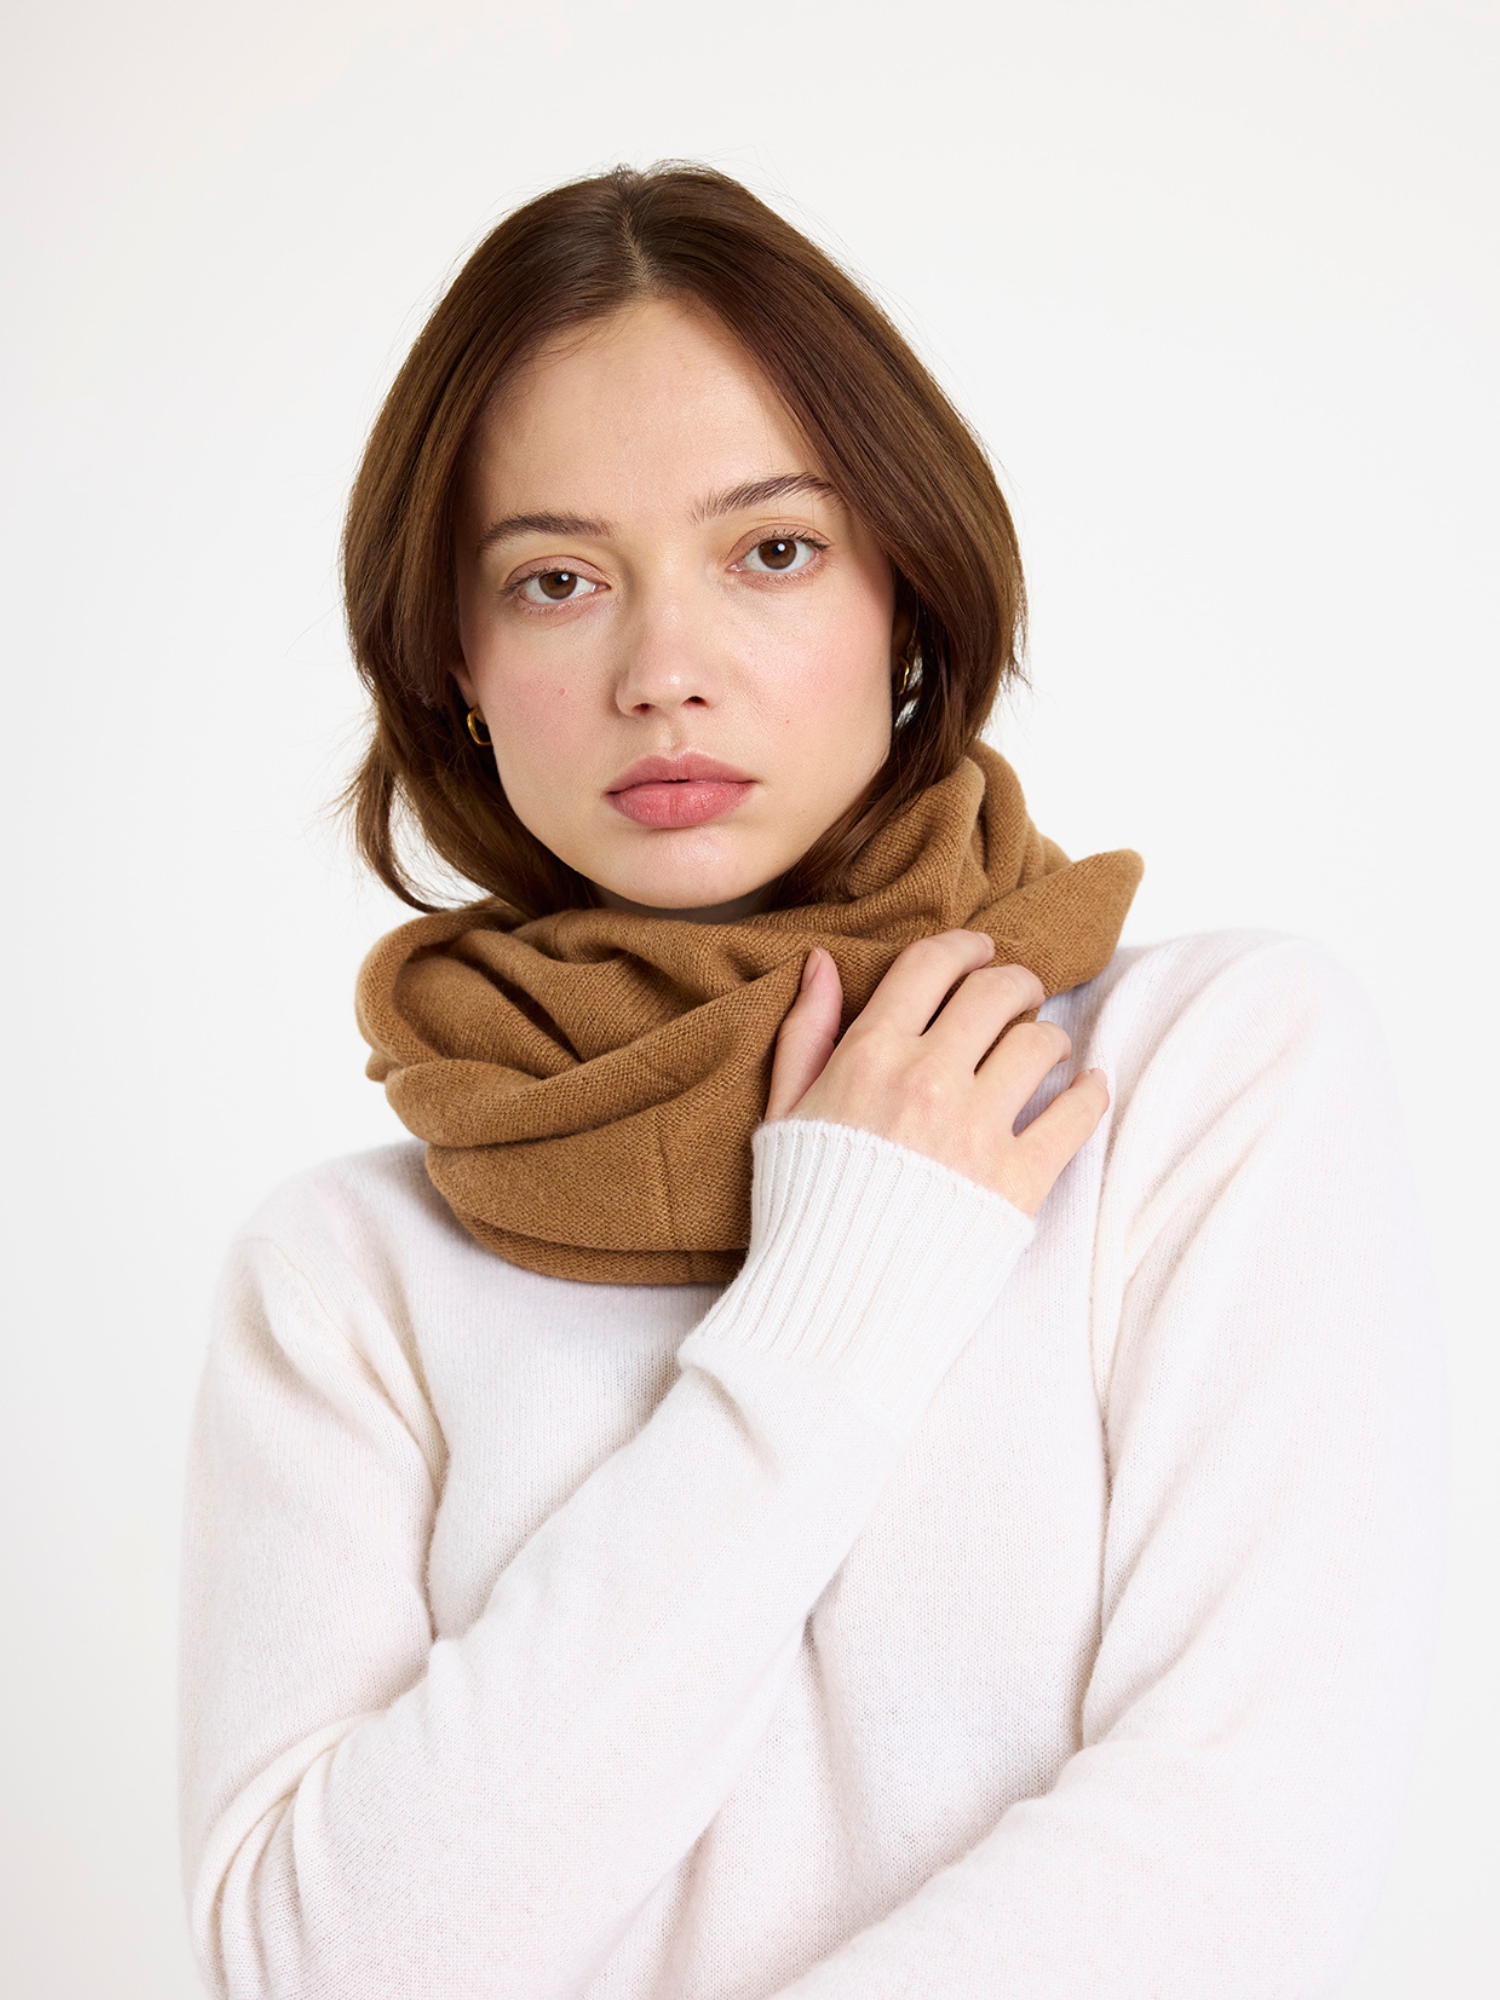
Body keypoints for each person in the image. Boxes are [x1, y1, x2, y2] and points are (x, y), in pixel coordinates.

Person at [178, 164, 1445, 2000]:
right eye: (555, 581)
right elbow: (317, 1971)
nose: (664, 673)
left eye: (772, 550)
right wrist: (835, 1306)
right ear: (456, 663)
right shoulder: (346, 1277)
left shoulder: (1207, 1081)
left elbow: (1238, 1863)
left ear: (905, 597)